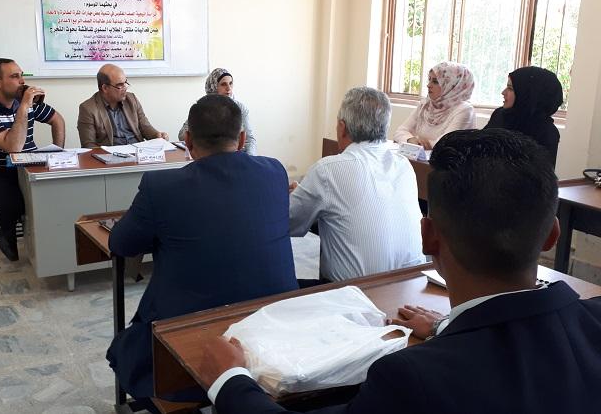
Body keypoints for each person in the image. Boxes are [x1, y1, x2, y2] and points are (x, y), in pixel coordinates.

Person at [200, 128, 601, 414]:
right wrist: (444, 327)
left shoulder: (412, 379)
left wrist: (230, 380)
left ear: (428, 236)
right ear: (551, 236)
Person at [106, 94, 298, 408]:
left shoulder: (161, 187)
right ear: (242, 139)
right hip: (270, 328)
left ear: (188, 141)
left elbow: (121, 244)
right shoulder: (274, 171)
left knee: (128, 349)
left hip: (186, 340)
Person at [289, 87, 426, 282]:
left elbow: (289, 223)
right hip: (412, 286)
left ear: (342, 127)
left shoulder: (328, 170)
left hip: (354, 293)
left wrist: (298, 197)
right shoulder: (404, 165)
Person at [0, 58, 65, 261]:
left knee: (58, 193)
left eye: (21, 76)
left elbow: (57, 120)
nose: (22, 81)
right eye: (14, 76)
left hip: (29, 165)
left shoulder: (25, 102)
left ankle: (53, 242)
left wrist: (58, 151)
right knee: (13, 205)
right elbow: (13, 148)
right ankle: (6, 227)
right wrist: (24, 107)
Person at [485, 66, 562, 168]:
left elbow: (542, 175)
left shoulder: (546, 133)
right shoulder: (500, 115)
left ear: (527, 94)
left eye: (510, 88)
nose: (503, 92)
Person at [77, 64, 168, 148]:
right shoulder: (88, 108)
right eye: (120, 85)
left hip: (137, 150)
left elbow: (145, 127)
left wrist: (157, 135)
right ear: (105, 88)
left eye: (125, 83)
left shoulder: (132, 99)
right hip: (112, 154)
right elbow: (88, 146)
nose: (125, 88)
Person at [393, 61, 475, 149]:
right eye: (429, 79)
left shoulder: (464, 110)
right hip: (422, 157)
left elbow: (446, 143)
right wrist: (410, 139)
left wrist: (420, 144)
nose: (428, 85)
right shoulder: (426, 104)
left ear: (452, 85)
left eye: (435, 81)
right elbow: (400, 131)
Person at [178, 68, 257, 154]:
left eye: (231, 83)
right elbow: (182, 135)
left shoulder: (240, 108)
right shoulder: (203, 107)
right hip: (210, 155)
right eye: (223, 84)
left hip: (237, 156)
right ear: (213, 86)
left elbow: (250, 139)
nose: (229, 88)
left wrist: (250, 159)